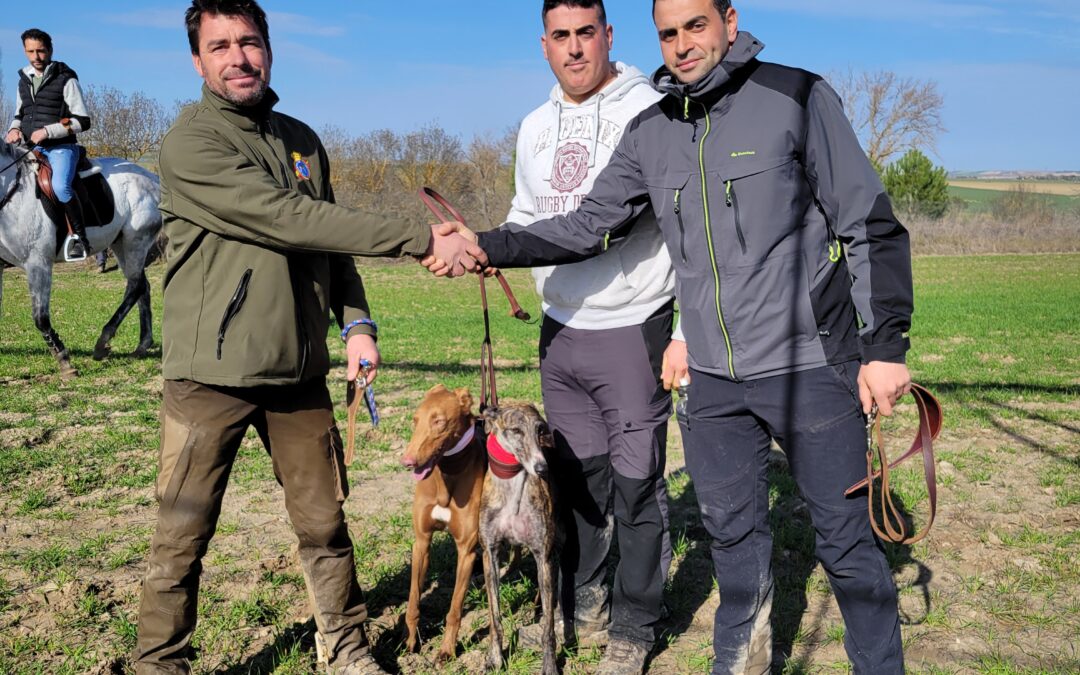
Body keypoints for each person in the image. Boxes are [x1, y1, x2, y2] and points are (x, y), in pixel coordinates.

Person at [429, 1, 914, 673]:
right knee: (735, 546)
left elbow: (869, 221)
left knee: (847, 550)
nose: (683, 44)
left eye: (696, 25)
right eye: (669, 31)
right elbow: (584, 225)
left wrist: (884, 345)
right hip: (713, 381)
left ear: (729, 20)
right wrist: (486, 244)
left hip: (810, 364)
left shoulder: (796, 97)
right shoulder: (651, 131)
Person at [132, 1, 475, 674]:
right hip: (209, 375)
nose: (239, 57)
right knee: (181, 533)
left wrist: (357, 325)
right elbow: (286, 218)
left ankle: (344, 646)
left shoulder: (301, 140)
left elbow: (328, 242)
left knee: (324, 524)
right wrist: (416, 236)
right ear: (197, 60)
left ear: (269, 48)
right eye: (221, 45)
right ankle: (157, 662)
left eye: (250, 42)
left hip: (299, 375)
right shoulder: (190, 144)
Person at [510, 2, 677, 672]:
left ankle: (636, 624)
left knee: (637, 483)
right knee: (577, 479)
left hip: (632, 322)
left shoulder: (649, 112)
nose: (575, 48)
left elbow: (670, 224)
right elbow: (526, 213)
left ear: (609, 37)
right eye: (561, 36)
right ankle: (584, 601)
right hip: (562, 330)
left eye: (587, 34)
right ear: (543, 44)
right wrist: (493, 249)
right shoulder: (533, 126)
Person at [5, 28, 93, 258]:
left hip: (62, 148)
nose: (36, 57)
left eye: (41, 51)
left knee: (60, 187)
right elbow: (19, 113)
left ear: (50, 50)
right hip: (30, 148)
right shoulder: (23, 80)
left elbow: (82, 121)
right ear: (25, 51)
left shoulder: (66, 78)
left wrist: (47, 131)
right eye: (30, 51)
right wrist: (14, 128)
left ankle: (79, 239)